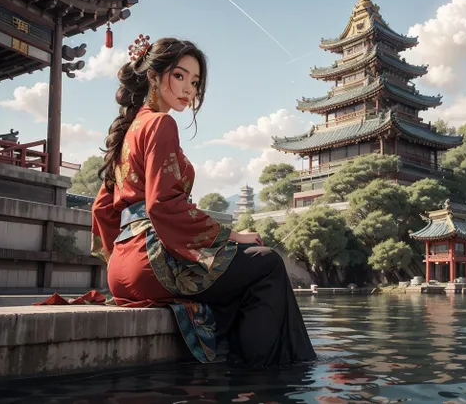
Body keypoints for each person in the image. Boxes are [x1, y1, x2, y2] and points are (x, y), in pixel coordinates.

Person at [90, 35, 316, 367]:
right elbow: (163, 205)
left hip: (120, 271)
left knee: (244, 268)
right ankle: (265, 376)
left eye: (194, 82)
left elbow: (102, 209)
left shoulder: (128, 131)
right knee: (267, 263)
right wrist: (231, 236)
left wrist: (119, 260)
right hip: (152, 263)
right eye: (179, 76)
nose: (189, 89)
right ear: (153, 76)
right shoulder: (160, 122)